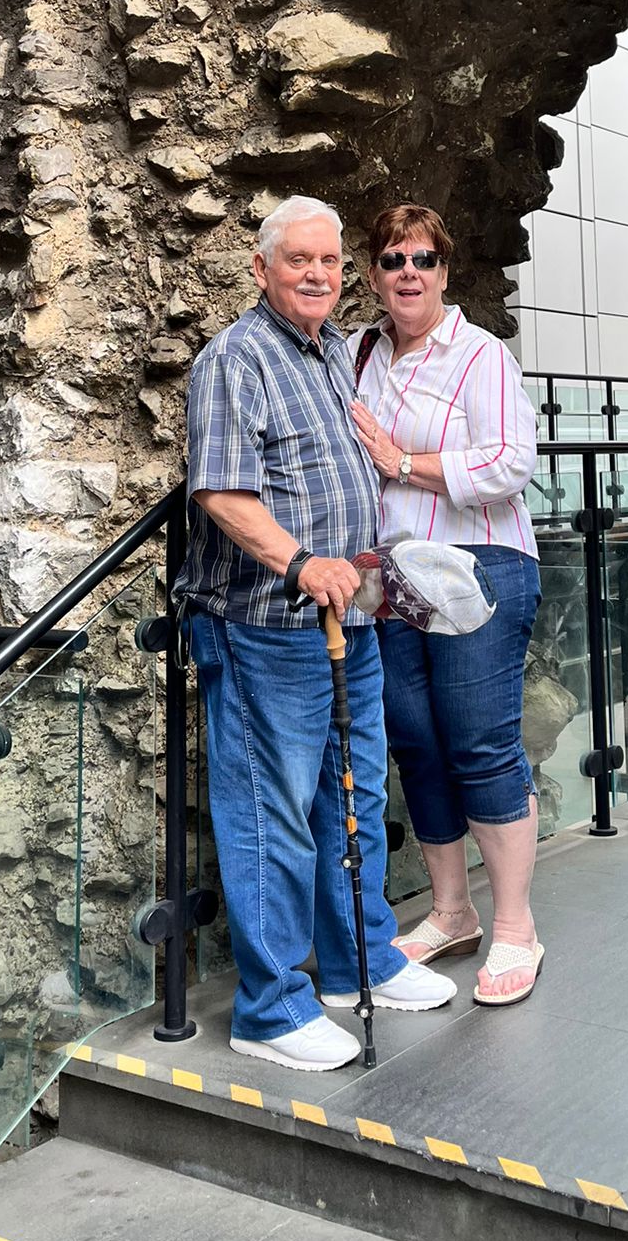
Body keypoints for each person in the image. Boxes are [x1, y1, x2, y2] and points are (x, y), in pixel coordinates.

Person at [185, 195, 456, 1072]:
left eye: (331, 261)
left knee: (356, 798)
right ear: (261, 267)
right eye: (298, 259)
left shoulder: (335, 350)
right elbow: (220, 491)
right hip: (266, 627)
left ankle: (358, 963)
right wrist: (301, 562)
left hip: (352, 619)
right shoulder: (235, 359)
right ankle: (269, 1010)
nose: (316, 274)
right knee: (274, 817)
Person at [350, 203, 545, 1007]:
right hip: (395, 577)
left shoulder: (479, 355)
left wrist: (402, 463)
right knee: (418, 744)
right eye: (393, 259)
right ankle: (453, 912)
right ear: (373, 273)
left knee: (479, 743)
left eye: (423, 259)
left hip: (479, 565)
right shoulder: (359, 353)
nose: (409, 272)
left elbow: (509, 462)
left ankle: (515, 928)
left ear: (444, 270)